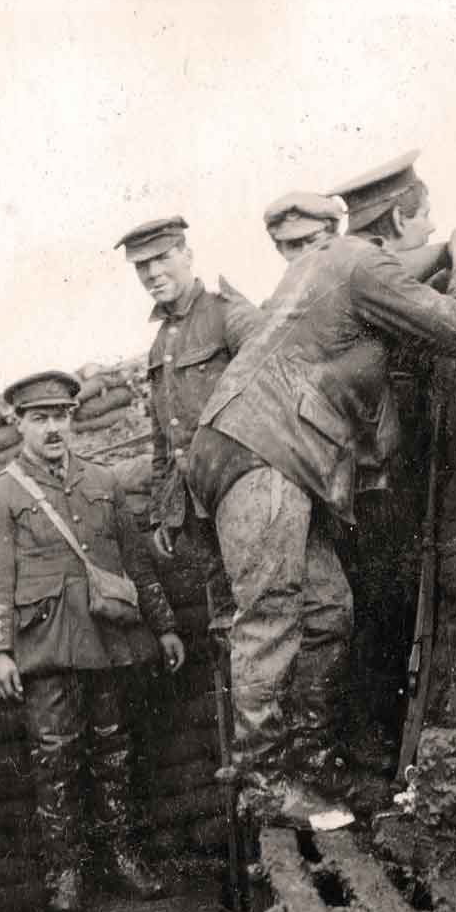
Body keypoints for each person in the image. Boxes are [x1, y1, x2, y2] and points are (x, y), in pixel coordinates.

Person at [187, 150, 456, 829]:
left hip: (253, 450)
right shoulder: (358, 262)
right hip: (260, 452)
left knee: (326, 612)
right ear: (404, 216)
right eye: (428, 218)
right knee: (269, 617)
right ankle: (265, 787)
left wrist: (439, 255)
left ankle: (310, 771)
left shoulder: (328, 264)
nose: (433, 227)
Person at [0, 370, 185, 912]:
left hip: (108, 640)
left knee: (113, 749)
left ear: (73, 419)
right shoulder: (0, 495)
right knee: (55, 759)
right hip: (45, 646)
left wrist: (162, 624)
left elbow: (135, 561)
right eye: (40, 418)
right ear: (19, 424)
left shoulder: (102, 481)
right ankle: (65, 871)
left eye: (61, 416)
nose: (53, 428)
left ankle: (121, 855)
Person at [114, 216, 259, 626]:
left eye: (162, 257)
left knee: (263, 611)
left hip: (242, 490)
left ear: (188, 254)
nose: (153, 273)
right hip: (200, 510)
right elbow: (164, 440)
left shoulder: (227, 314)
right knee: (225, 618)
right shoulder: (161, 344)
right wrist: (162, 512)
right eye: (142, 266)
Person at [263, 191, 345, 263]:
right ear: (280, 250)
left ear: (334, 236)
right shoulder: (291, 280)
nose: (306, 252)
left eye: (313, 241)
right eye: (295, 245)